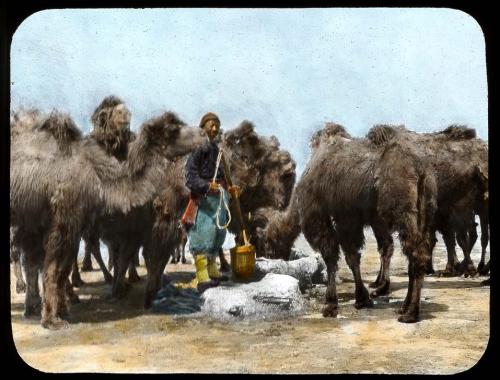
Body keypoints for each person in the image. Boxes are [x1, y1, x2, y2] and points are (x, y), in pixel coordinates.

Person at [182, 112, 240, 293]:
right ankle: (202, 276)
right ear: (203, 127)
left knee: (217, 235)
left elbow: (222, 175)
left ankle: (212, 270)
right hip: (204, 201)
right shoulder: (198, 149)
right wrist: (207, 185)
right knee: (202, 236)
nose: (214, 128)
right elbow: (190, 177)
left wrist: (228, 188)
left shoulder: (217, 150)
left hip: (218, 200)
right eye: (211, 125)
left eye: (217, 125)